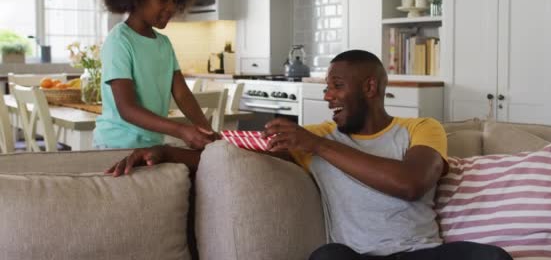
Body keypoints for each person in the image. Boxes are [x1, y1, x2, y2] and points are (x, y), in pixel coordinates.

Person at [106, 50, 512, 260]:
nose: (327, 95)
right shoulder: (313, 138)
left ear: (370, 88)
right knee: (326, 257)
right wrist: (166, 151)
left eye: (337, 85)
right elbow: (234, 153)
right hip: (356, 259)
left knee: (491, 257)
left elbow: (410, 183)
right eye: (326, 86)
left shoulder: (419, 128)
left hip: (422, 256)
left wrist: (317, 146)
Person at [92, 0, 218, 150]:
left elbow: (182, 94)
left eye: (175, 0)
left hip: (150, 146)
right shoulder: (119, 41)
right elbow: (127, 108)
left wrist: (206, 129)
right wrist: (180, 130)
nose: (171, 8)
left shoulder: (164, 44)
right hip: (114, 146)